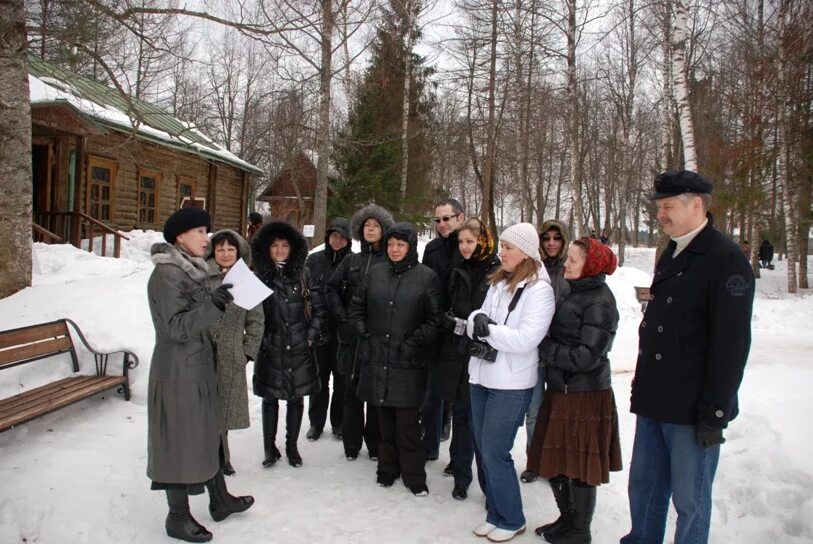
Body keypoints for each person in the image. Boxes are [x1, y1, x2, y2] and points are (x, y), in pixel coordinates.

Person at [620, 170, 755, 544]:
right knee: (644, 489)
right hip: (655, 400)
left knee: (690, 500)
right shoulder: (673, 251)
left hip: (692, 409)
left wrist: (715, 411)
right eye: (659, 207)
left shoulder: (724, 259)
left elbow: (732, 345)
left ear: (697, 205)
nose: (660, 215)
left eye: (668, 207)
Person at [147, 208, 254, 543]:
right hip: (178, 371)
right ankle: (177, 517)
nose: (207, 238)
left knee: (207, 434)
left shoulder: (190, 271)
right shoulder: (167, 274)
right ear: (179, 237)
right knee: (179, 441)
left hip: (197, 365)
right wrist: (215, 306)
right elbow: (175, 327)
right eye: (200, 232)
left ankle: (219, 499)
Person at [527, 236, 622, 543]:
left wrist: (545, 348)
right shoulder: (574, 290)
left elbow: (585, 356)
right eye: (567, 258)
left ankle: (580, 529)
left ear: (590, 266)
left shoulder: (600, 301)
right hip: (561, 389)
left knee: (579, 468)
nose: (565, 264)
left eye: (573, 260)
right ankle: (567, 520)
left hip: (584, 395)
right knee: (555, 462)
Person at [468, 223, 555, 543]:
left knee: (495, 451)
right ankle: (496, 512)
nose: (501, 252)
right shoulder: (498, 282)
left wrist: (487, 329)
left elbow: (526, 339)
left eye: (508, 247)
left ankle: (514, 517)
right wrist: (478, 322)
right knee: (482, 446)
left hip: (511, 383)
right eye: (501, 246)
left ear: (527, 253)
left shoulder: (539, 291)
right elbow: (480, 316)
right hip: (481, 375)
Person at [348, 222, 442, 496]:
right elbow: (357, 307)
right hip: (378, 357)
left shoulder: (427, 277)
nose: (395, 249)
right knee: (384, 420)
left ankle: (414, 475)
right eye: (390, 244)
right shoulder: (376, 273)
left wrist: (413, 342)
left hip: (408, 362)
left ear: (410, 246)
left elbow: (435, 319)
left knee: (409, 425)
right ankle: (387, 469)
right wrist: (364, 332)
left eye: (400, 244)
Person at [252, 221, 326, 469]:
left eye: (285, 245)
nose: (280, 249)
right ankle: (268, 447)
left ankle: (292, 447)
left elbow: (319, 309)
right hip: (270, 347)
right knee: (270, 398)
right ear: (268, 249)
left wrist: (310, 335)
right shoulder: (258, 276)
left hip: (298, 346)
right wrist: (258, 340)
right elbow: (248, 315)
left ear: (292, 248)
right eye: (275, 245)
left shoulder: (304, 274)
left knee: (295, 399)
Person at [325, 204, 394, 460]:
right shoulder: (351, 260)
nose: (371, 230)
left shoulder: (389, 258)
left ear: (383, 229)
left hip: (378, 336)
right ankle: (351, 444)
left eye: (376, 226)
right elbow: (330, 289)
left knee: (376, 392)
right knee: (351, 390)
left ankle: (375, 444)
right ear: (360, 230)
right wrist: (342, 317)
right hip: (351, 338)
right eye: (367, 226)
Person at [436, 218, 500, 501]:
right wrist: (449, 320)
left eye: (470, 242)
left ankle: (490, 484)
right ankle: (461, 477)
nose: (464, 247)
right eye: (461, 242)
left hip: (486, 354)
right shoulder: (458, 268)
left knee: (482, 422)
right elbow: (448, 303)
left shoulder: (498, 271)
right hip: (459, 352)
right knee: (461, 415)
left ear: (482, 241)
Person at [204, 230, 264, 477]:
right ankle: (204, 455)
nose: (226, 254)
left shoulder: (246, 281)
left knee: (225, 409)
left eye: (231, 249)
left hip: (231, 352)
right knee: (204, 406)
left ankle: (222, 456)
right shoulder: (201, 278)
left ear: (238, 253)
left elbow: (257, 321)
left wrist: (248, 352)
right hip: (203, 351)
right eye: (221, 249)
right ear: (213, 252)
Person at [521, 219, 570, 484]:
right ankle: (535, 460)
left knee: (560, 409)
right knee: (535, 410)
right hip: (537, 351)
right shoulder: (533, 268)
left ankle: (558, 462)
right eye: (546, 238)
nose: (551, 243)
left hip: (562, 351)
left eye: (557, 238)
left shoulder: (571, 268)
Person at [421, 198, 465, 465]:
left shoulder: (470, 246)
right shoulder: (432, 249)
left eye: (447, 218)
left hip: (462, 329)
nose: (442, 224)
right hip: (436, 325)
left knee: (459, 396)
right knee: (432, 392)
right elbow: (427, 285)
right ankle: (429, 445)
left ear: (460, 217)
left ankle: (458, 458)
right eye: (437, 220)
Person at [304, 217, 353, 441]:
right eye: (334, 236)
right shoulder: (314, 261)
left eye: (342, 237)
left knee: (342, 380)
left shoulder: (353, 262)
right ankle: (316, 422)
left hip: (342, 330)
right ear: (327, 237)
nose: (337, 241)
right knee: (319, 380)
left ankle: (339, 422)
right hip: (319, 328)